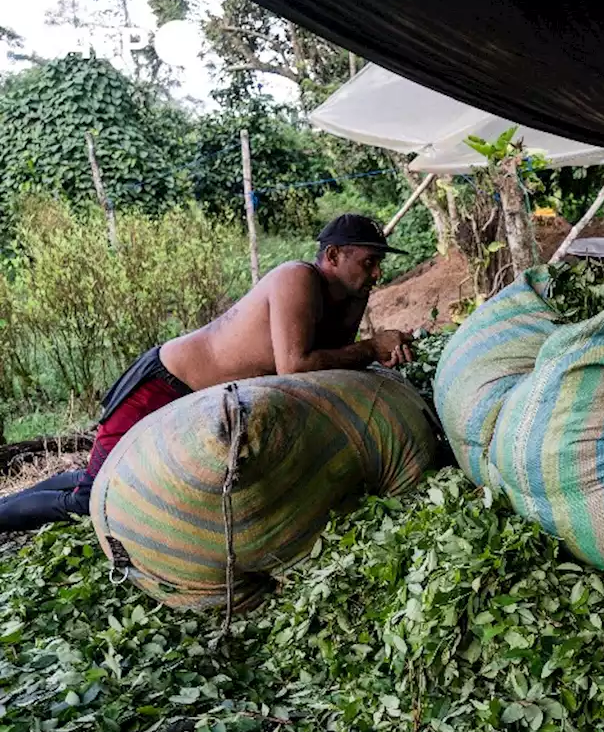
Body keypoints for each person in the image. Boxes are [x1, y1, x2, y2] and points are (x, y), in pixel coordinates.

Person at [0, 213, 416, 534]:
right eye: (368, 262)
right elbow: (296, 366)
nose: (376, 273)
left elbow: (333, 359)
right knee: (93, 498)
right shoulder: (297, 278)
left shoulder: (347, 295)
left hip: (195, 398)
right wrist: (369, 348)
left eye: (377, 264)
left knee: (96, 479)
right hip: (162, 384)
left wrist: (373, 338)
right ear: (332, 256)